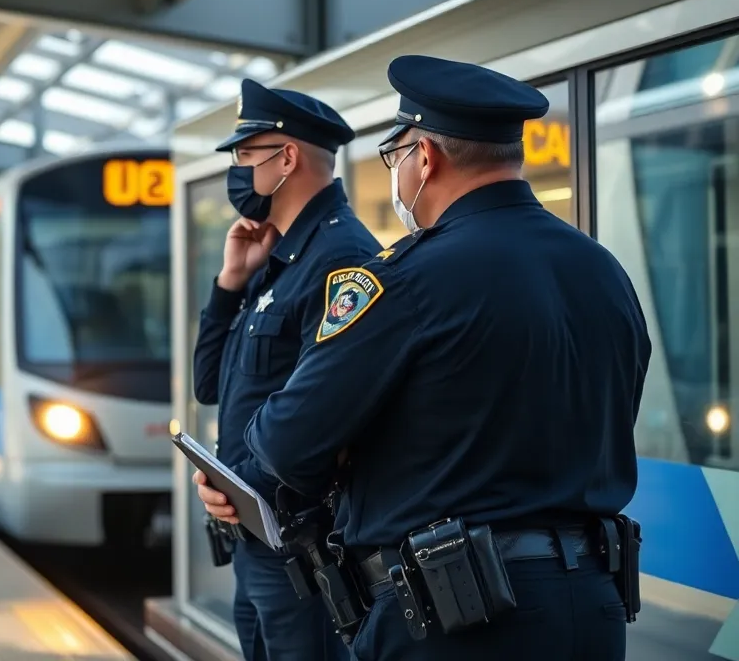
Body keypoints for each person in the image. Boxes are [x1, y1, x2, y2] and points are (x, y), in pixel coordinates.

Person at [198, 55, 651, 661]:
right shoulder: (602, 270)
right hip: (592, 610)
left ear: (425, 157)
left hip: (460, 622)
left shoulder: (401, 280)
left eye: (395, 155)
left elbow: (284, 442)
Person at [191, 78, 380, 661]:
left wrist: (235, 486)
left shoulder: (341, 259)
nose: (238, 173)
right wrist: (230, 283)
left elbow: (323, 416)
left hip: (305, 550)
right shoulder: (278, 257)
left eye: (245, 157)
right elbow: (208, 384)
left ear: (286, 157)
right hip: (259, 545)